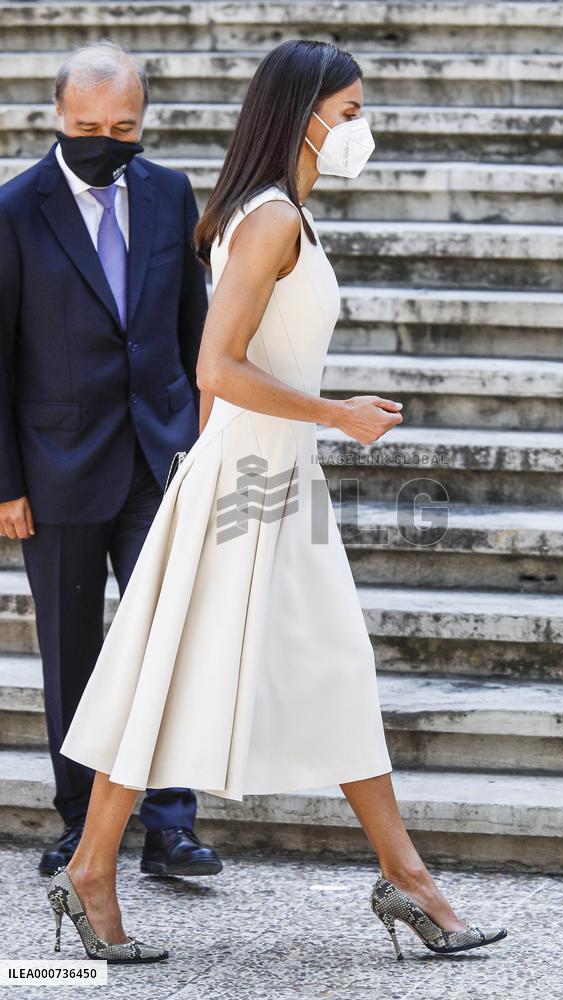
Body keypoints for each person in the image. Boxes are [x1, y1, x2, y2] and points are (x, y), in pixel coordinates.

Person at [46, 40, 508, 964]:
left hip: (268, 476)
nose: (358, 130)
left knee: (320, 667)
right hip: (254, 484)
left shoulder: (283, 211)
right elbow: (214, 366)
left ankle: (403, 875)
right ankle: (95, 871)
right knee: (167, 677)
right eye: (349, 112)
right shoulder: (269, 221)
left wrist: (254, 455)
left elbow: (225, 385)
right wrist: (331, 416)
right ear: (303, 116)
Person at [0, 41, 222, 878]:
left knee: (166, 642)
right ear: (59, 116)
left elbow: (194, 331)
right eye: (88, 125)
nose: (105, 137)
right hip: (52, 470)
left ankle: (170, 827)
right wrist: (5, 485)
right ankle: (76, 821)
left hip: (159, 457)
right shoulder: (15, 209)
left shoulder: (168, 193)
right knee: (73, 653)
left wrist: (201, 447)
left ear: (143, 119)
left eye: (123, 125)